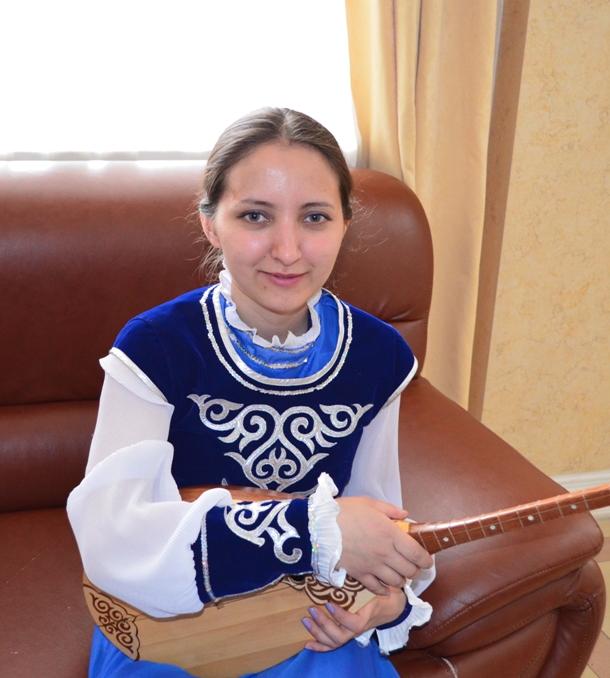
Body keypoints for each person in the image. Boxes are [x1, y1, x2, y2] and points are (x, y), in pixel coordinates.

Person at [67, 108, 435, 678]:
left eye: (315, 217)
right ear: (211, 224)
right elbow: (114, 539)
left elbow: (374, 505)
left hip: (310, 620)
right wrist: (313, 528)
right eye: (255, 216)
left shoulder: (378, 356)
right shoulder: (156, 347)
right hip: (175, 622)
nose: (287, 250)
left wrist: (387, 600)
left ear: (345, 225)